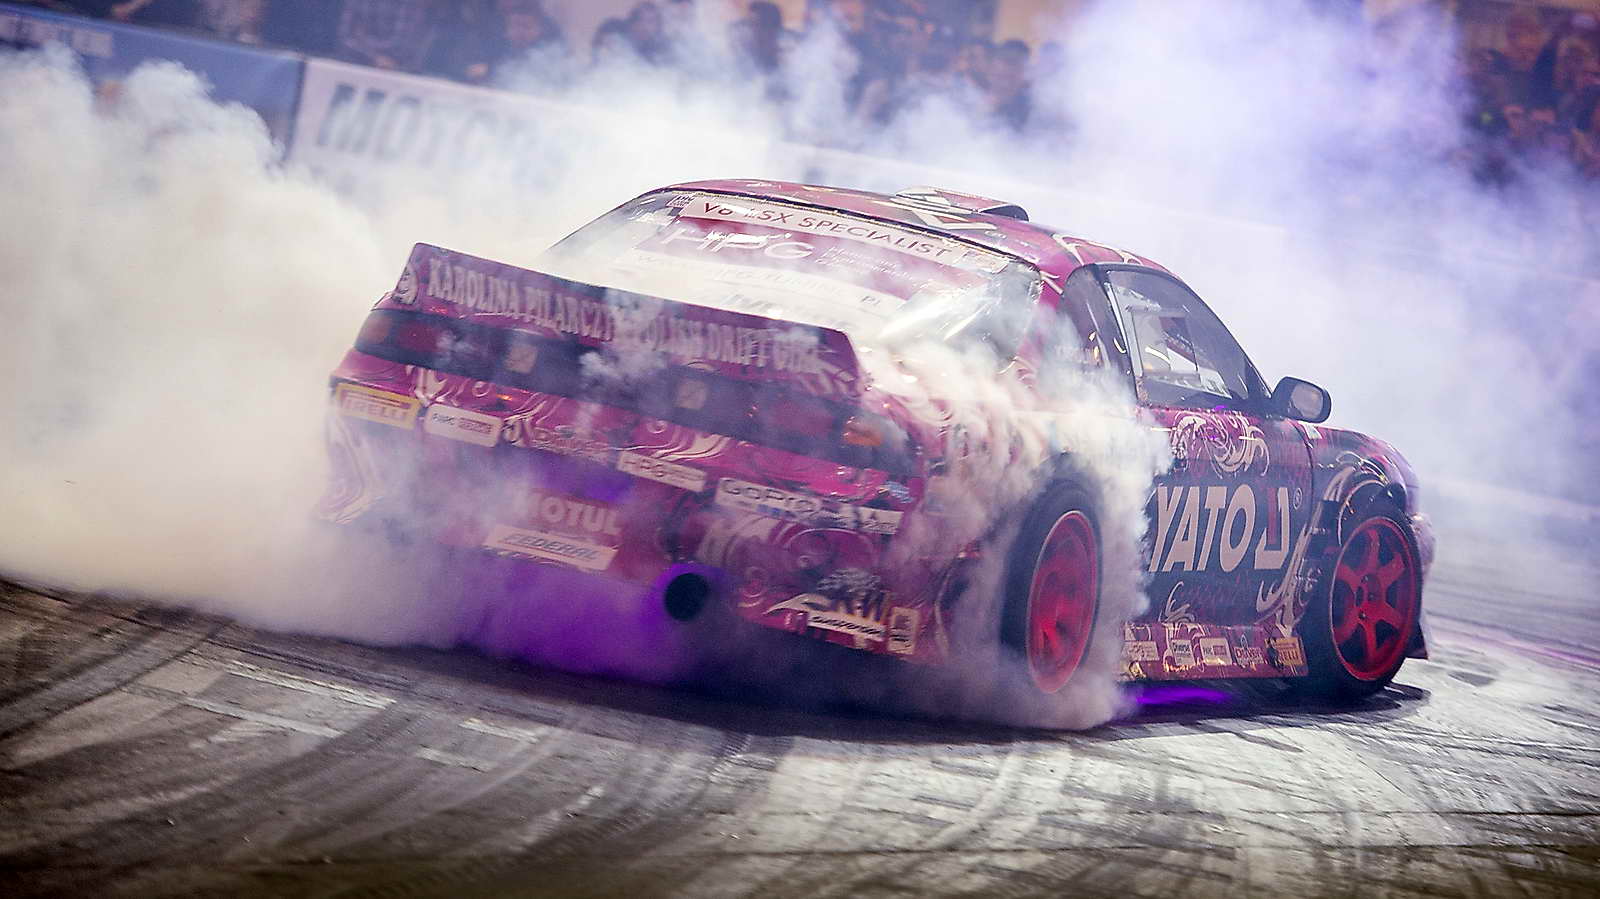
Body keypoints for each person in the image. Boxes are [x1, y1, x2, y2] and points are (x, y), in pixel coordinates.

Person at [336, 0, 439, 71]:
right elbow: (345, 37)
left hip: (401, 75)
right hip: (354, 69)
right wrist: (375, 58)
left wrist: (362, 41)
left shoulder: (411, 3)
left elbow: (402, 44)